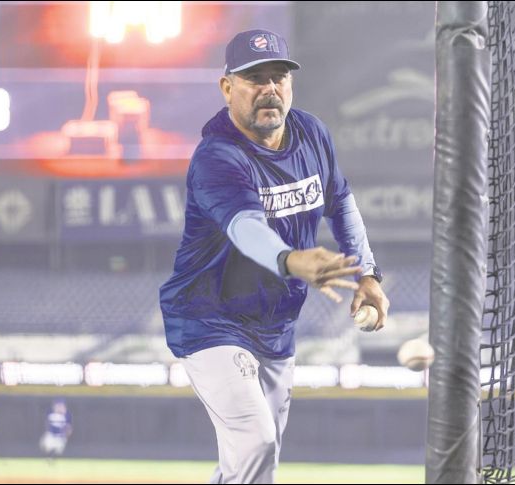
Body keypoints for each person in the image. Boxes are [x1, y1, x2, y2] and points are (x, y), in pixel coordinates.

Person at [159, 28, 390, 484]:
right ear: (227, 88)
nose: (269, 89)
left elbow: (340, 201)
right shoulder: (218, 156)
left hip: (276, 325)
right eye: (254, 78)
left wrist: (367, 272)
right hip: (209, 318)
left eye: (279, 77)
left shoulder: (310, 133)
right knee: (256, 441)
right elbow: (246, 229)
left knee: (256, 465)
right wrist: (289, 259)